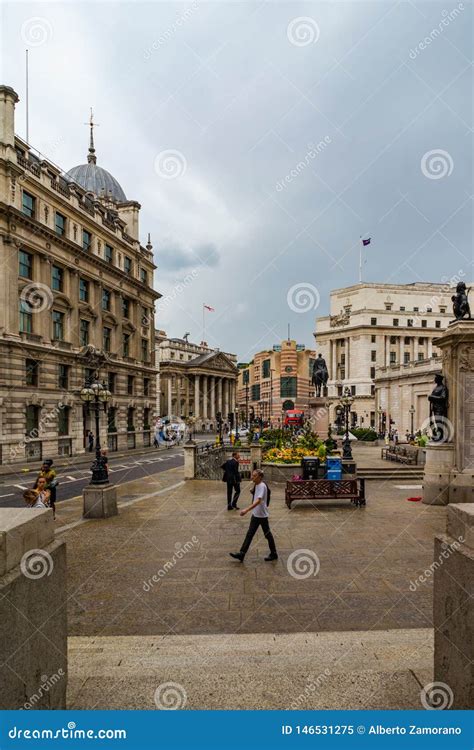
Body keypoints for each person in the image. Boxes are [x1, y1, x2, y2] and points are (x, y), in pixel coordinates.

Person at [229, 469, 278, 562]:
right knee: (250, 534)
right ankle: (242, 554)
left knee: (267, 535)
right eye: (252, 475)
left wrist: (246, 510)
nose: (252, 477)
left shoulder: (262, 486)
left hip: (262, 515)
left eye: (254, 476)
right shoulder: (257, 485)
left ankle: (274, 553)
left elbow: (259, 501)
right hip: (256, 514)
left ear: (260, 477)